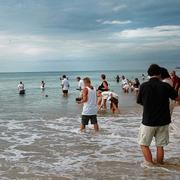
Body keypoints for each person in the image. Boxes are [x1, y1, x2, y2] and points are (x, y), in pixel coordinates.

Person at [137, 64, 180, 167]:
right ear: (160, 74)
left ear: (148, 74)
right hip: (164, 120)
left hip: (148, 120)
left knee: (144, 144)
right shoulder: (165, 86)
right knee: (160, 146)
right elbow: (177, 98)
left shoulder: (143, 86)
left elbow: (139, 101)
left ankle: (151, 166)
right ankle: (160, 166)